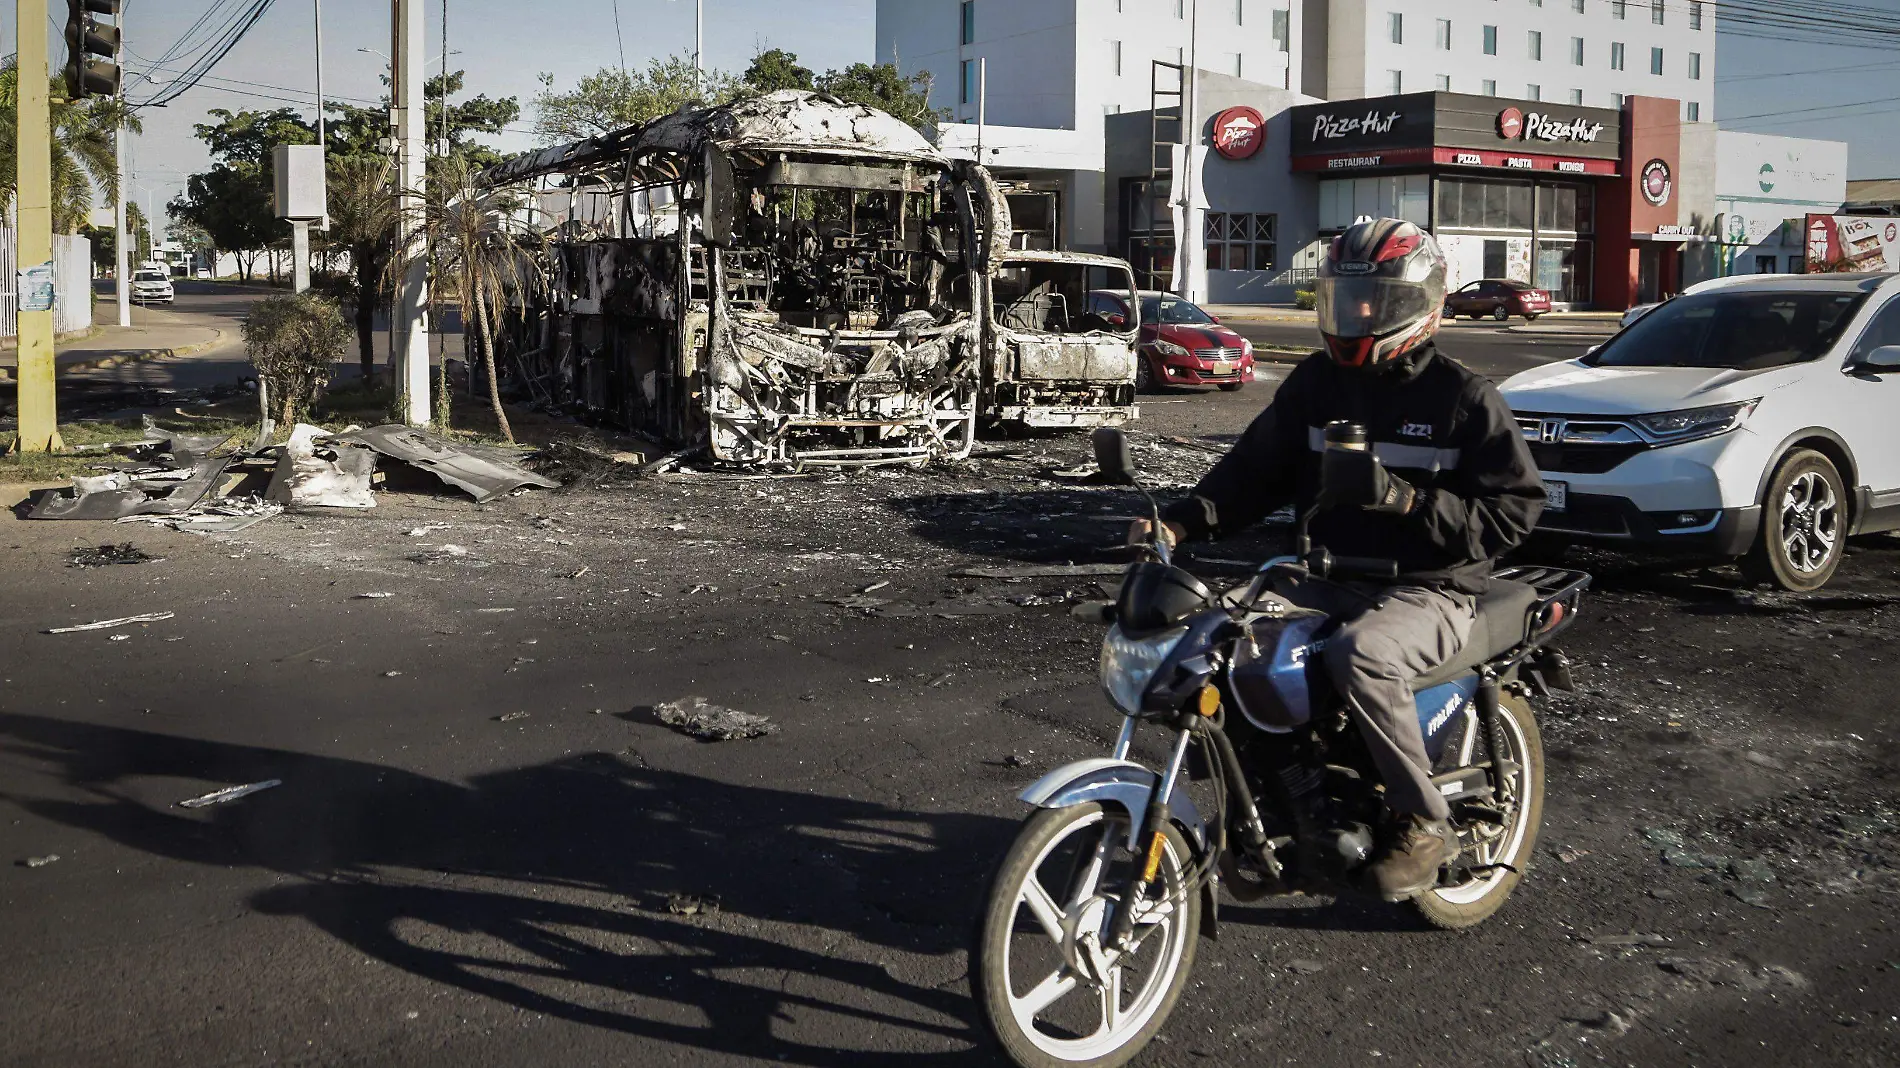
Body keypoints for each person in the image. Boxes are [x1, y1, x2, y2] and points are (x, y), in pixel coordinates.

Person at [1134, 218, 1545, 900]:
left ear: (1422, 305)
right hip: (1323, 574)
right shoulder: (1316, 387)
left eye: (1378, 303)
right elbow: (1251, 474)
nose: (1359, 316)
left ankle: (1424, 820)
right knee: (1217, 641)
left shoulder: (1464, 398)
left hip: (1430, 588)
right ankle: (1278, 814)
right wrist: (1178, 523)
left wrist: (1406, 500)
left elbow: (1515, 513)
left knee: (1362, 654)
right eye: (1347, 300)